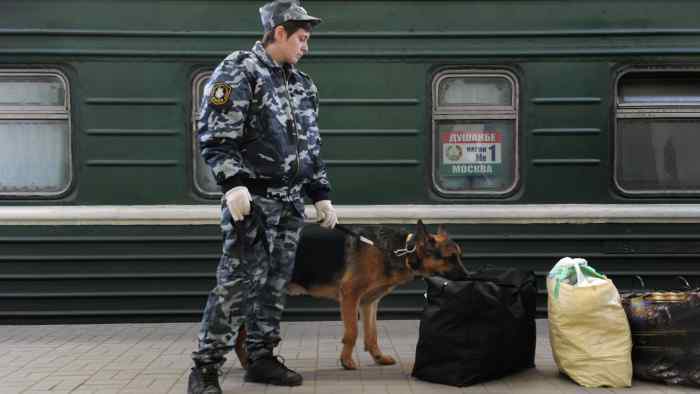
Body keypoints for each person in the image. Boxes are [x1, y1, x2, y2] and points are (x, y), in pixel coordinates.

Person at [188, 1, 337, 392]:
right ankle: (205, 369)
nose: (306, 46)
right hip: (251, 203)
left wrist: (320, 194)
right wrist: (233, 184)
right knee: (234, 285)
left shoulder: (303, 85)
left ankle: (261, 358)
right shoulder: (239, 71)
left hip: (289, 205)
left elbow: (310, 147)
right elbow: (215, 134)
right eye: (301, 38)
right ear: (279, 32)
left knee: (273, 285)